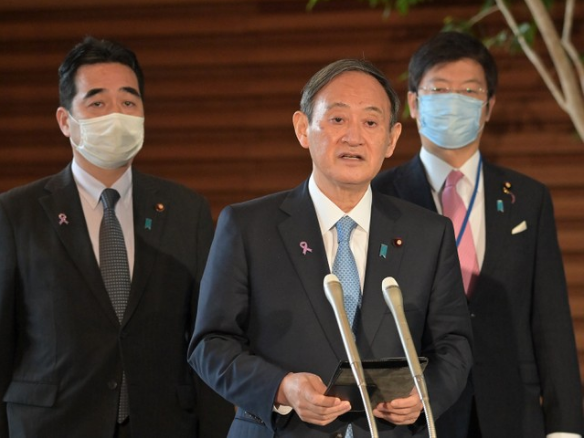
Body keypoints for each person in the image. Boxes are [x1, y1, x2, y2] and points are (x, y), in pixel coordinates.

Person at [188, 58, 473, 437]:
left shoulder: (428, 234)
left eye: (370, 122)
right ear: (302, 129)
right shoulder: (248, 227)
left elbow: (454, 345)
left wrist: (424, 395)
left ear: (391, 139)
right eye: (338, 119)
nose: (354, 137)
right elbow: (210, 345)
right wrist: (282, 387)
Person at [0, 36, 234, 438]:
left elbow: (208, 338)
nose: (117, 115)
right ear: (65, 121)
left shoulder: (186, 210)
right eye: (97, 103)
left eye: (128, 102)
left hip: (163, 424)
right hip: (50, 425)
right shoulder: (15, 213)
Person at [372, 31, 584, 438]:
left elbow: (551, 320)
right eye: (439, 89)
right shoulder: (379, 196)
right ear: (414, 103)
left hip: (512, 413)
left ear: (488, 107)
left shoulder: (528, 199)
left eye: (470, 91)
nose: (455, 101)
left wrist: (566, 428)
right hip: (413, 417)